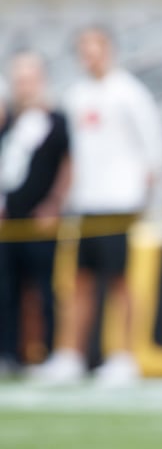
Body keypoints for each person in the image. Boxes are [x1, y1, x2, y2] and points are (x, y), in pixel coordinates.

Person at [28, 26, 162, 386]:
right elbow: (71, 158)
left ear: (108, 50)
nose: (89, 56)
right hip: (87, 205)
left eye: (95, 48)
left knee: (121, 283)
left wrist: (143, 198)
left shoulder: (129, 93)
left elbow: (156, 151)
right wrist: (59, 199)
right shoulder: (75, 96)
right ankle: (71, 355)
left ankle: (123, 356)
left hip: (119, 204)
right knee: (80, 283)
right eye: (84, 50)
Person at [0, 51, 71, 375]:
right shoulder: (9, 120)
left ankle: (52, 354)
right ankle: (9, 354)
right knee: (7, 289)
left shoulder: (55, 120)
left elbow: (68, 164)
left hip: (41, 220)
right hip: (8, 220)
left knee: (44, 289)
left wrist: (55, 204)